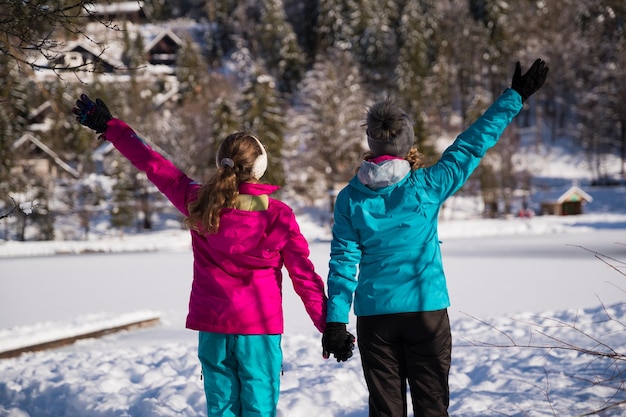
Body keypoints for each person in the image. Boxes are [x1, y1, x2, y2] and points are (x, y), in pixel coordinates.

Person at [72, 94, 328, 417]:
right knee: (260, 410)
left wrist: (111, 127)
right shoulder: (277, 215)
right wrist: (328, 324)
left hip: (214, 328)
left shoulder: (198, 201)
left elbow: (153, 164)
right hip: (259, 331)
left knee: (221, 411)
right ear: (260, 167)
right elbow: (303, 275)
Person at [321, 59, 549, 417]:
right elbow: (471, 145)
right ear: (406, 143)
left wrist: (335, 321)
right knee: (432, 407)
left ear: (371, 142)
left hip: (375, 319)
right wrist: (515, 96)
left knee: (386, 411)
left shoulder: (351, 197)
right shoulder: (426, 186)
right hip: (425, 312)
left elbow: (343, 262)